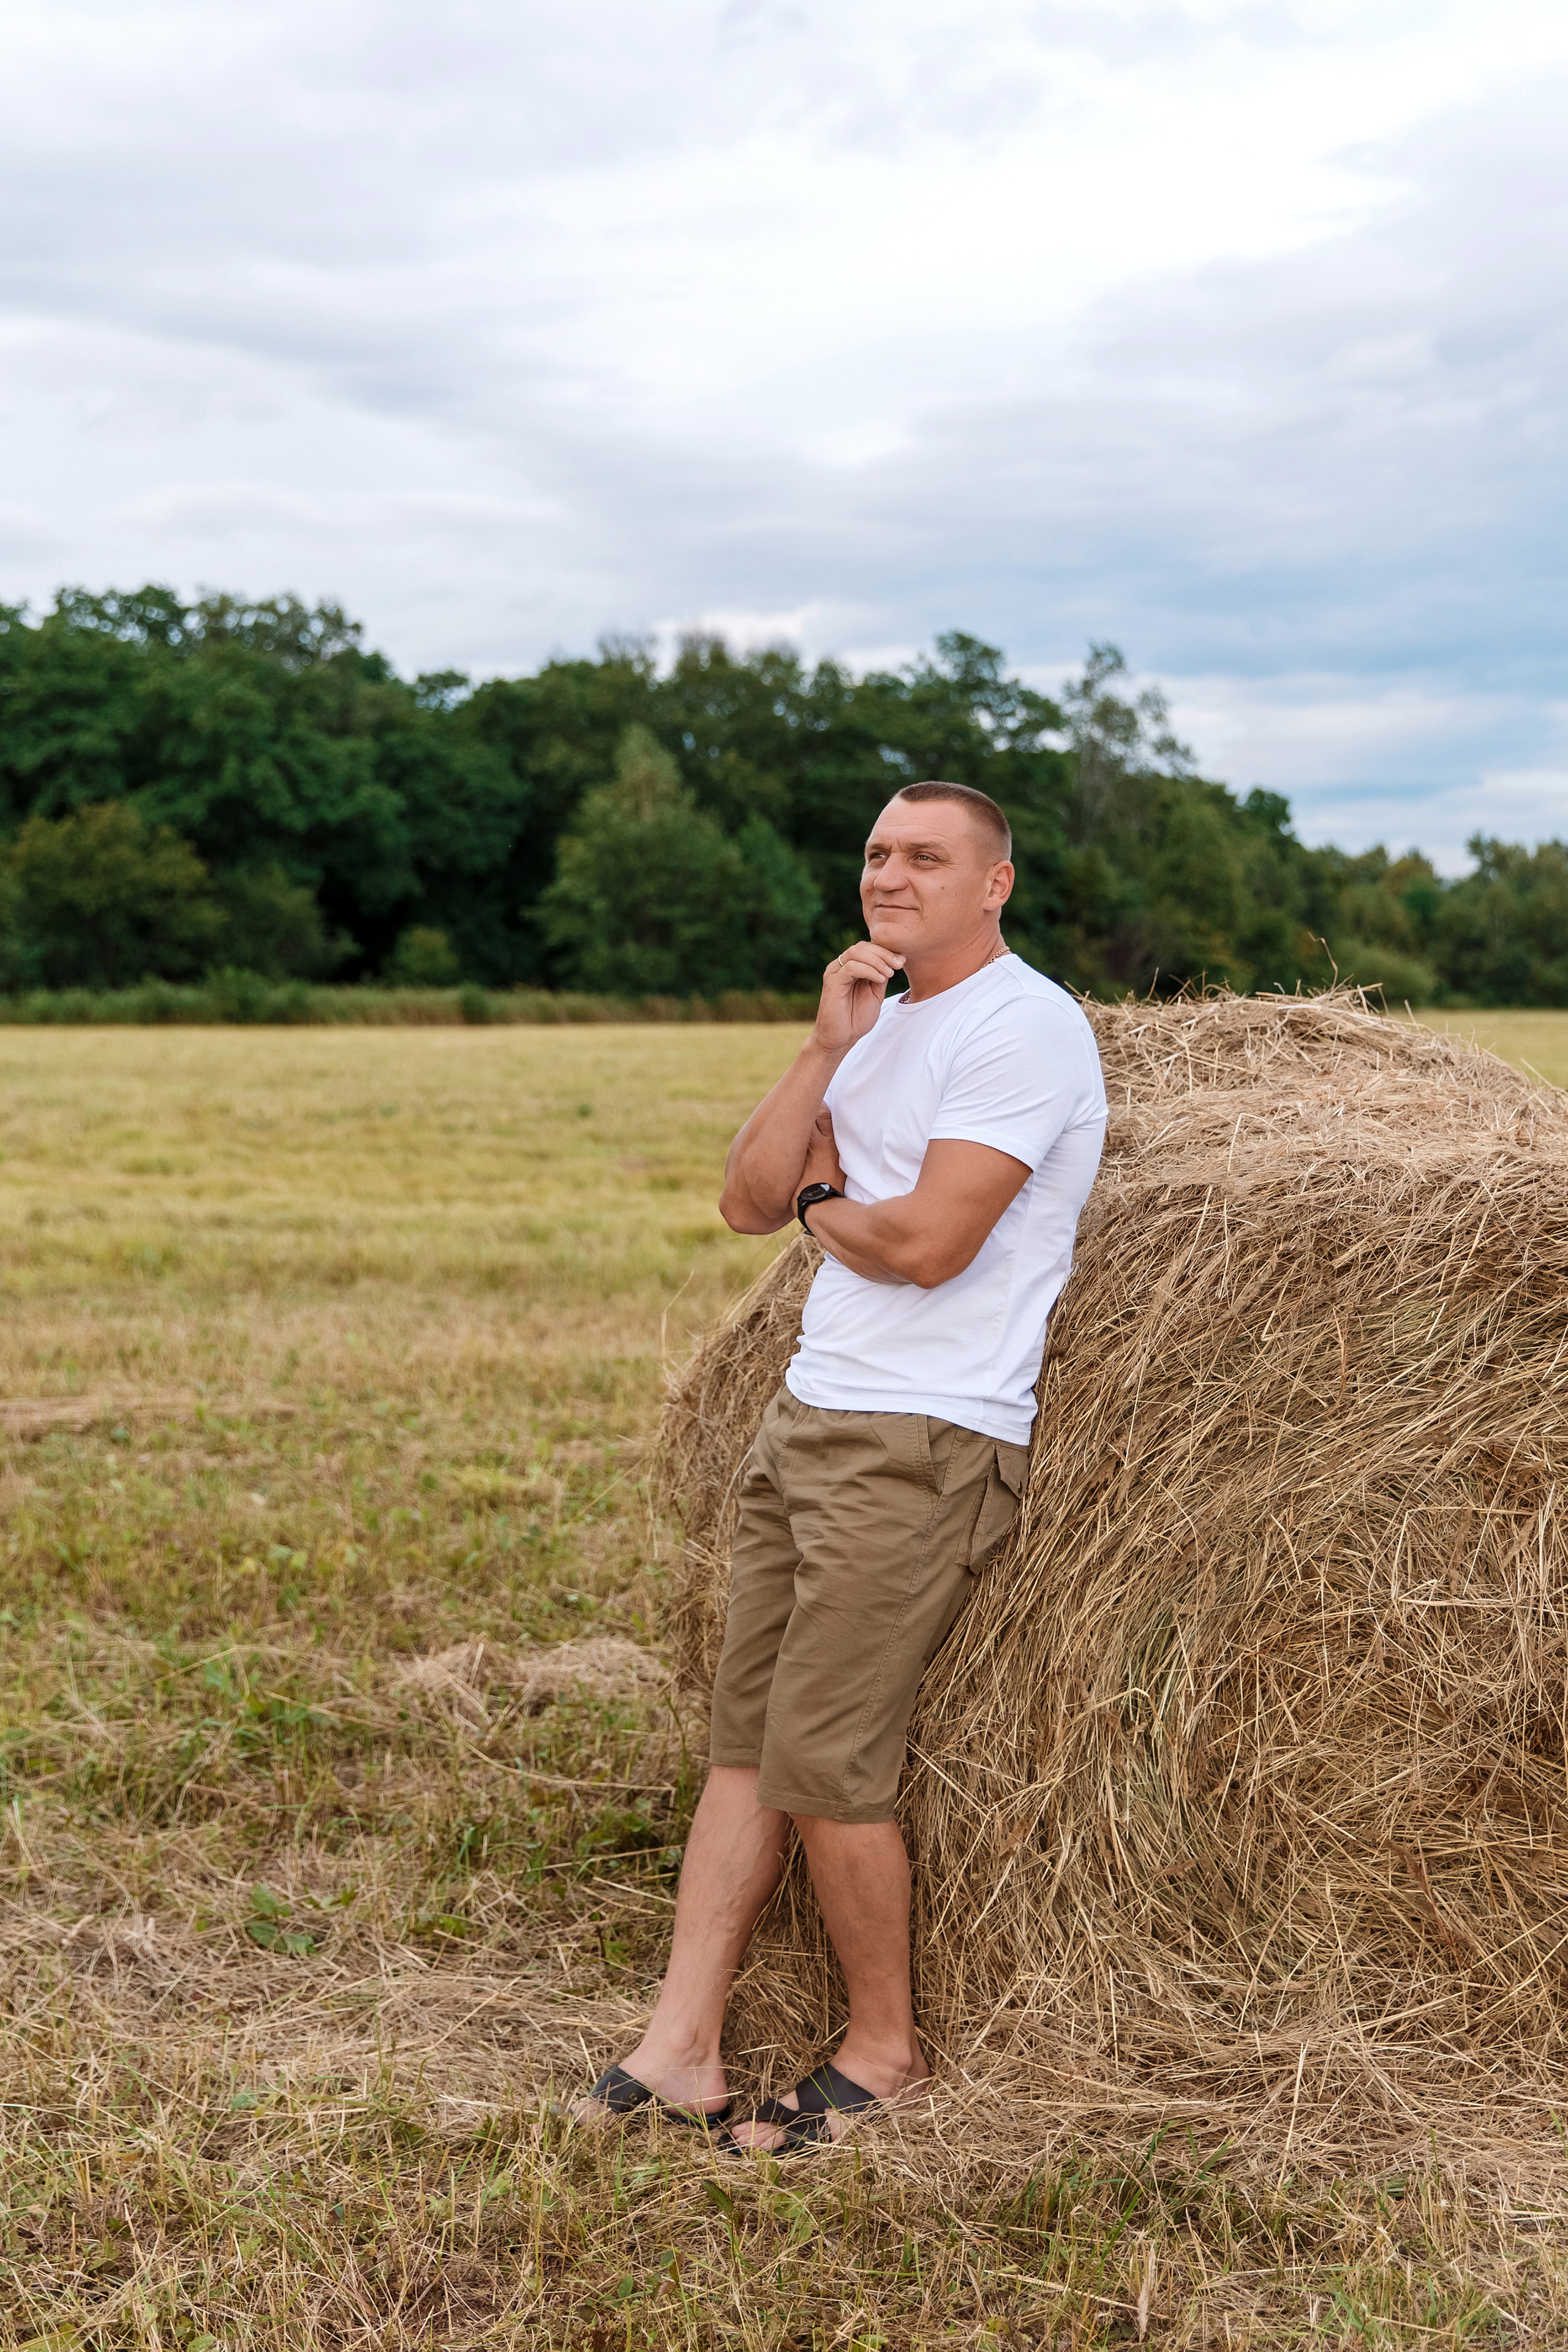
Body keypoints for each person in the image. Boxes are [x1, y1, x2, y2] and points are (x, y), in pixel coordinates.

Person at [574, 780, 1107, 2151]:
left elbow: (927, 1243)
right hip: (807, 1415)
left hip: (924, 1434)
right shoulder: (873, 1026)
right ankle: (681, 2044)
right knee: (744, 1750)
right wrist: (823, 1050)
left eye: (925, 856)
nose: (889, 876)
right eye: (877, 853)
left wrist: (825, 1199)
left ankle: (883, 2052)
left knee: (823, 1763)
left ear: (993, 883)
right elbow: (744, 1199)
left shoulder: (1023, 1025)